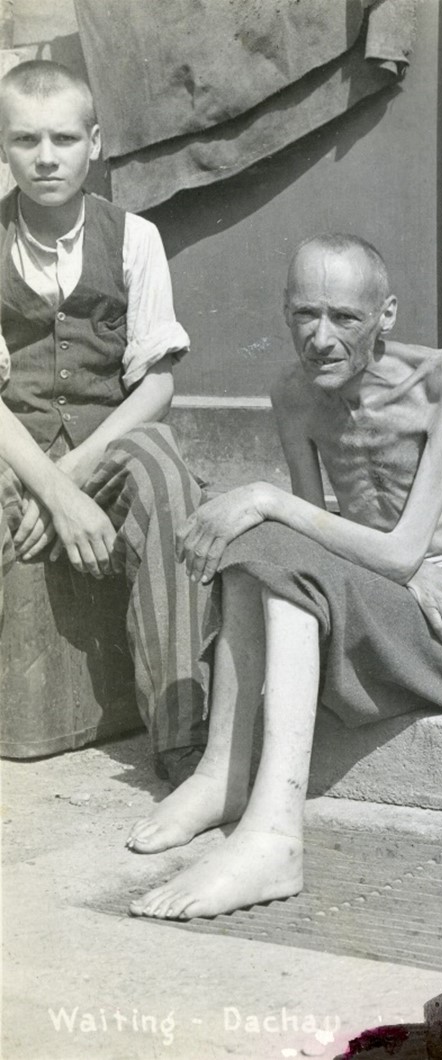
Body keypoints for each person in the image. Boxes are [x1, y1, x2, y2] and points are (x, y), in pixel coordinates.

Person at [125, 234, 442, 920]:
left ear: (385, 316)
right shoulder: (292, 395)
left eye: (345, 319)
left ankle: (272, 836)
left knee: (266, 524)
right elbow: (311, 541)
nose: (320, 338)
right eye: (304, 315)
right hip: (390, 593)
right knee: (263, 544)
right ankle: (222, 774)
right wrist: (292, 523)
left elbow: (407, 548)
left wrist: (266, 499)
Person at [0, 60, 208, 781]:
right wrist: (51, 493)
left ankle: (181, 729)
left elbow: (155, 388)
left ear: (96, 142)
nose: (47, 157)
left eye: (64, 137)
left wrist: (73, 477)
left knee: (165, 472)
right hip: (14, 444)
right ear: (3, 147)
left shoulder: (134, 238)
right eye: (26, 139)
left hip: (104, 442)